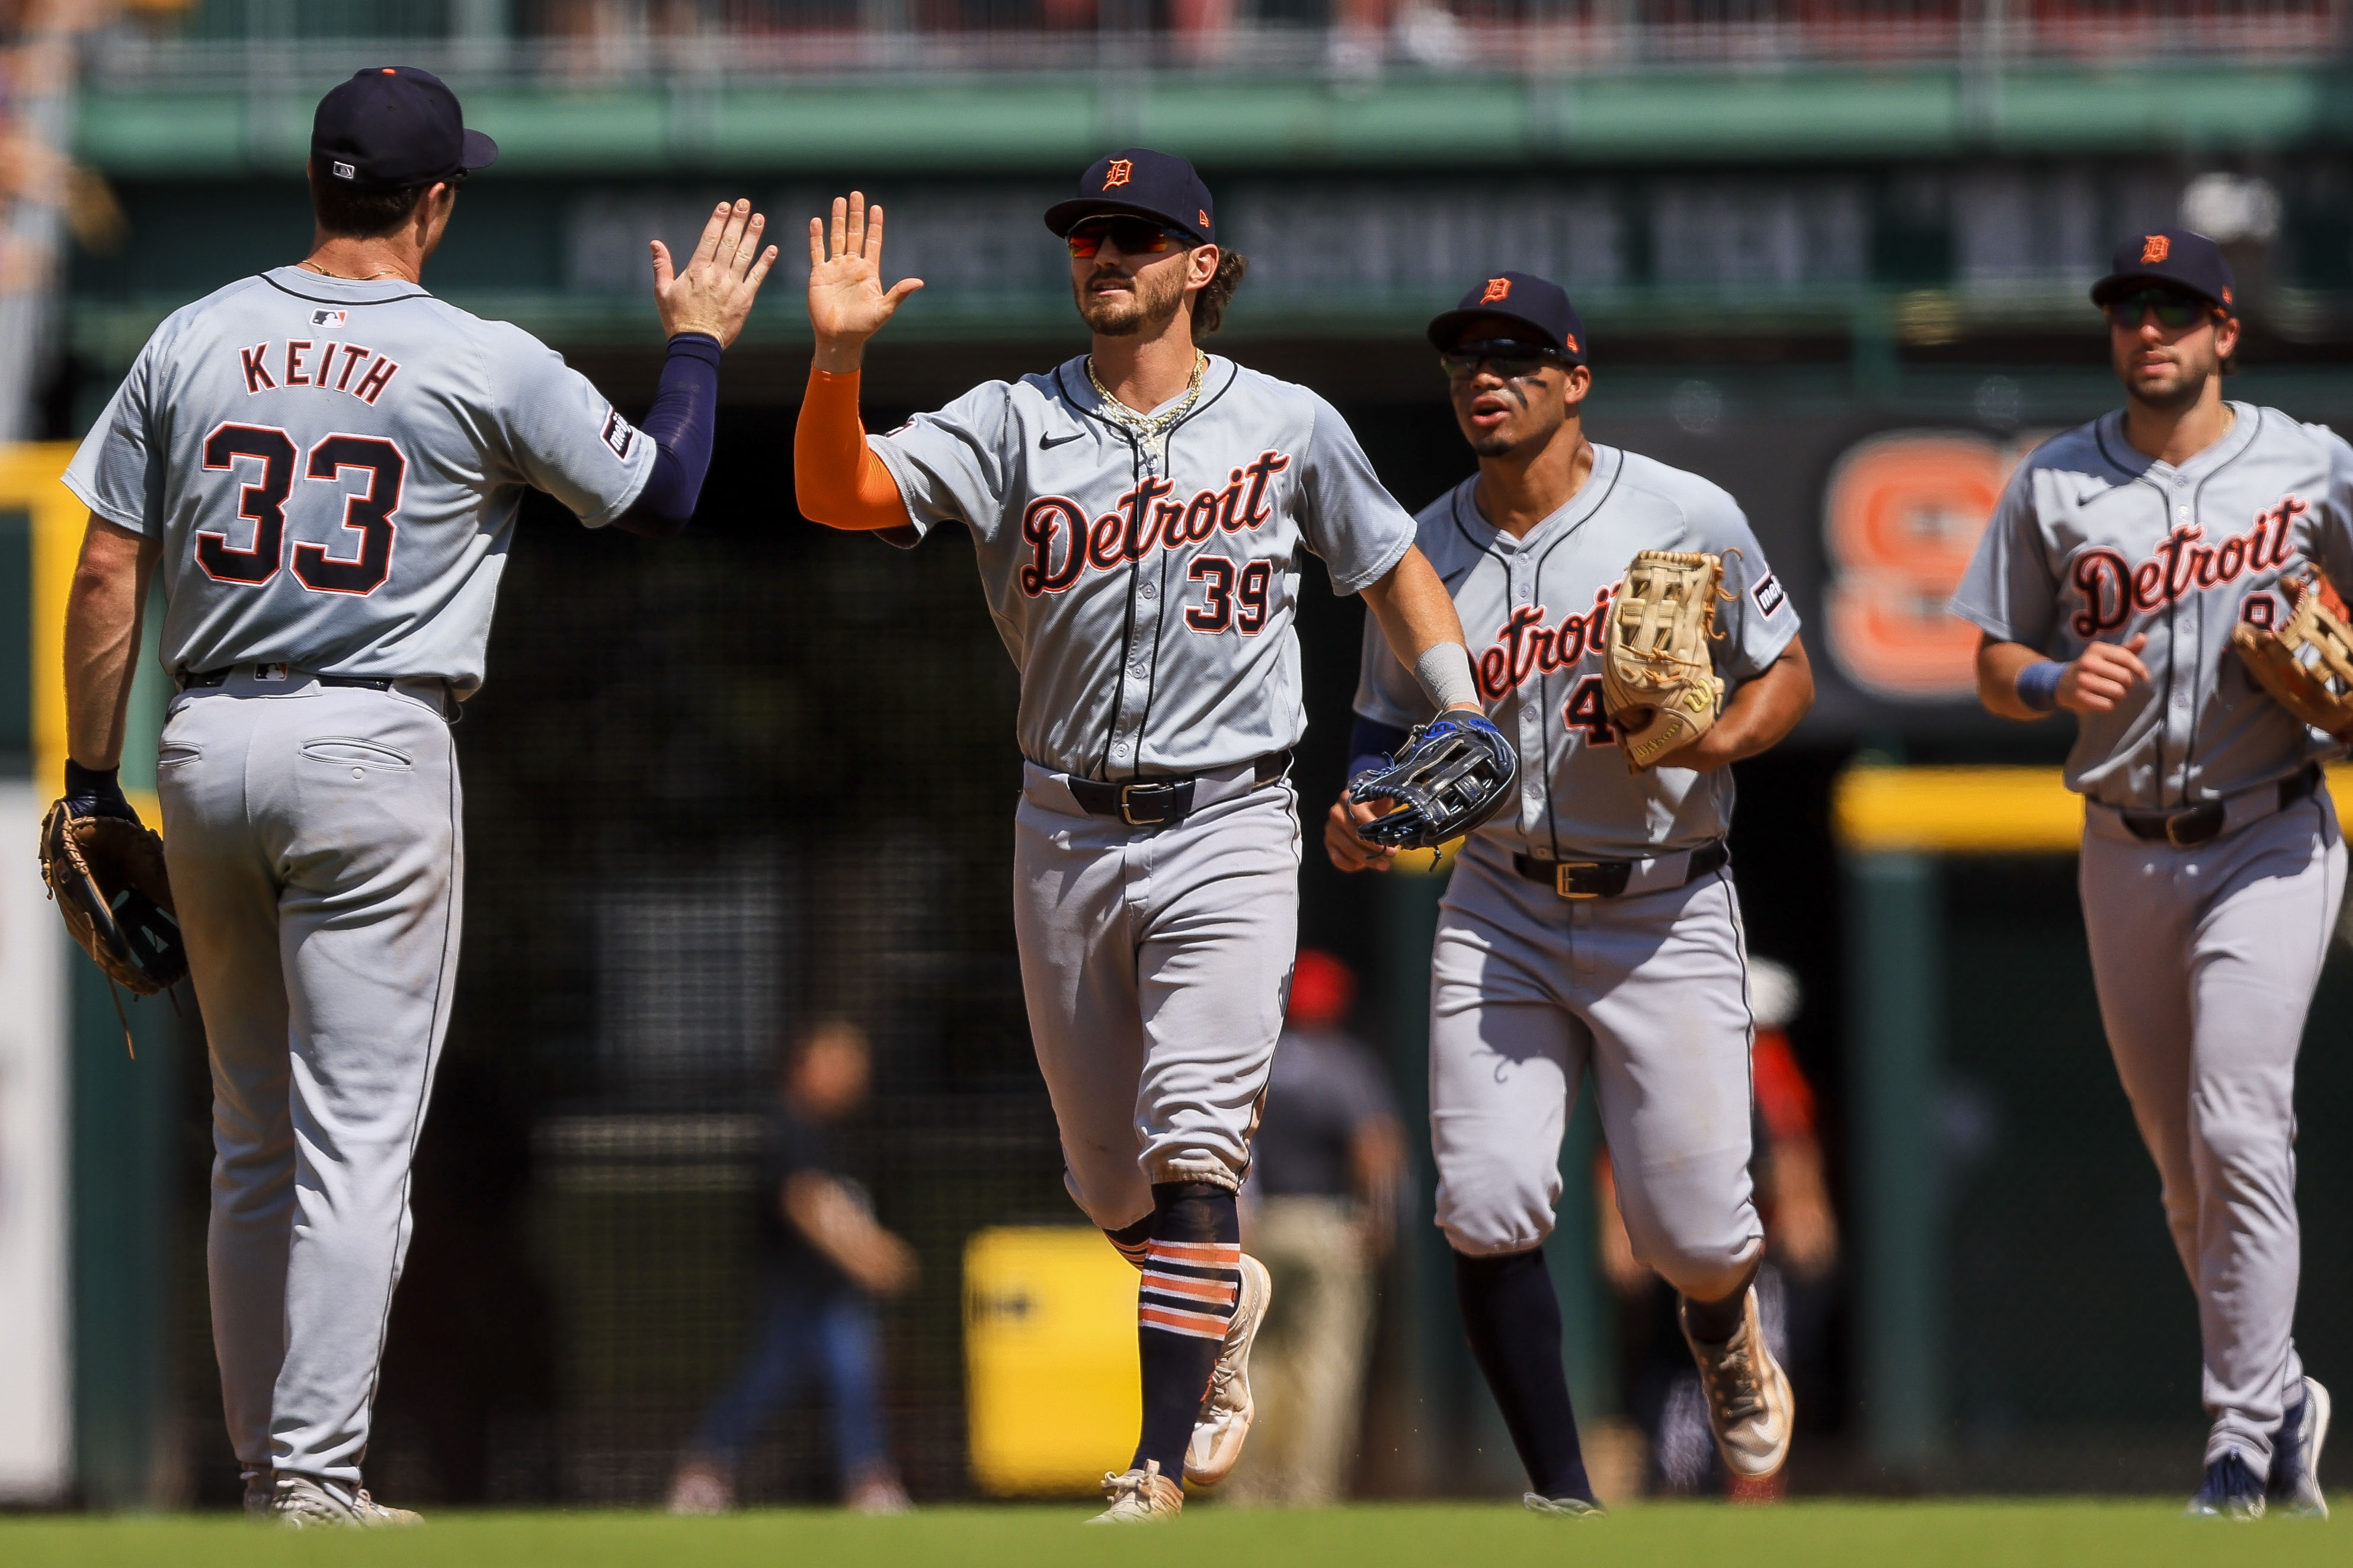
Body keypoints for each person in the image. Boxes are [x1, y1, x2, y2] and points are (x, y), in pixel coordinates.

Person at [55, 66, 776, 1527]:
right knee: (355, 1141)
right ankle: (315, 1480)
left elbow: (107, 570)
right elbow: (669, 492)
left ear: (319, 186)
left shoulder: (192, 336)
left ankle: (274, 1473)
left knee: (251, 1135)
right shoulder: (479, 357)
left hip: (203, 741)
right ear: (435, 201)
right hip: (374, 742)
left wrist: (86, 781)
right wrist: (694, 345)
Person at [791, 150, 1501, 1522]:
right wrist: (833, 366)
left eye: (1137, 234)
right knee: (1108, 1175)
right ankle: (1218, 1305)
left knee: (1191, 1146)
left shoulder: (1288, 425)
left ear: (1199, 267)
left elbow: (1390, 563)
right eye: (1087, 235)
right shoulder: (1011, 420)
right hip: (1059, 825)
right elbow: (841, 496)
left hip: (1231, 818)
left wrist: (1461, 698)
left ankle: (1160, 1457)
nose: (1104, 253)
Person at [1327, 270, 1814, 1516]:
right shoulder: (1417, 547)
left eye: (1516, 355)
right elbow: (1378, 729)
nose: (1483, 376)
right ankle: (1559, 1496)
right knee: (1484, 1202)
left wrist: (1715, 740)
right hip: (1499, 902)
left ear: (1574, 379)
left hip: (1666, 899)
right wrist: (1363, 807)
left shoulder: (1679, 510)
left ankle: (1721, 1329)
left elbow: (1787, 675)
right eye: (1464, 359)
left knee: (1696, 1234)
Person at [1952, 227, 2338, 1520]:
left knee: (2239, 1123)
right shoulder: (2055, 481)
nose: (2148, 330)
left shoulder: (2307, 464)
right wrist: (2057, 679)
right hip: (2121, 842)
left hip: (2269, 831)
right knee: (2183, 1172)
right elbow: (1990, 660)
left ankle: (2236, 1446)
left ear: (2224, 331)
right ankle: (2279, 1390)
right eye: (2129, 309)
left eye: (2175, 310)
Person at [1596, 957, 1838, 1500]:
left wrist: (1804, 1205)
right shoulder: (1663, 1062)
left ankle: (1739, 1487)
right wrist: (1616, 1226)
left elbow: (1791, 1148)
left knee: (1738, 1368)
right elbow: (1622, 1150)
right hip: (1692, 1252)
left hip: (1739, 1250)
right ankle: (1696, 1489)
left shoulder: (1764, 1061)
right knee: (1700, 1371)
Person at [668, 1021, 917, 1515]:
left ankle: (865, 1479)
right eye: (841, 1061)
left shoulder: (838, 1135)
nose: (855, 1075)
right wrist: (867, 1257)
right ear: (804, 1066)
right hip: (798, 1291)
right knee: (790, 1378)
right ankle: (708, 1470)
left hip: (831, 1293)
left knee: (840, 1376)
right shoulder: (789, 1125)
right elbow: (804, 1200)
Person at [1225, 949, 1405, 1506]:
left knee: (1257, 1363)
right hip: (1325, 1225)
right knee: (1323, 1364)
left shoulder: (1255, 1062)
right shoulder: (1343, 1063)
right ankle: (1306, 1491)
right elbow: (1375, 1149)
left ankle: (1246, 1490)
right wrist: (1380, 1218)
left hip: (1260, 1227)